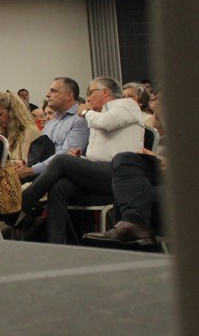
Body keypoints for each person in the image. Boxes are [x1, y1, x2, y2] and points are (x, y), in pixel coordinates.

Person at [19, 76, 144, 244]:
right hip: (99, 172)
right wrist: (80, 159)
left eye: (90, 93)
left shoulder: (126, 105)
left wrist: (85, 112)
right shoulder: (96, 116)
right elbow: (96, 154)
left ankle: (23, 204)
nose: (88, 98)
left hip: (121, 174)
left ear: (105, 92)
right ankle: (56, 245)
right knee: (60, 186)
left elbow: (106, 123)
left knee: (61, 160)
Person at [0, 91, 41, 164]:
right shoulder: (1, 130)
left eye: (0, 114)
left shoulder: (30, 131)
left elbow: (26, 164)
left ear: (13, 112)